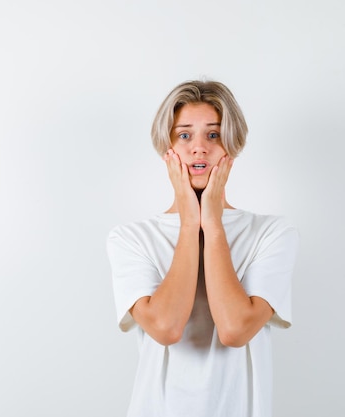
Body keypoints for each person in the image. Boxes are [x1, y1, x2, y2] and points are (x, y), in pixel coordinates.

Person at [106, 80, 299, 417]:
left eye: (213, 135)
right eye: (184, 135)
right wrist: (187, 223)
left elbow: (235, 330)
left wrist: (212, 224)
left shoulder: (271, 233)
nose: (199, 148)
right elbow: (166, 328)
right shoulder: (130, 239)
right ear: (167, 148)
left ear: (231, 146)